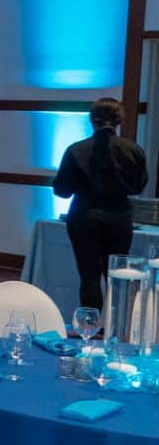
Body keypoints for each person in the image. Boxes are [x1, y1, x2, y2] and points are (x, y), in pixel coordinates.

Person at [54, 97, 150, 312]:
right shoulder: (133, 150)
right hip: (119, 216)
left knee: (89, 275)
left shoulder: (76, 150)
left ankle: (91, 327)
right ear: (119, 120)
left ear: (92, 120)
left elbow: (61, 190)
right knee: (116, 275)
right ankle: (115, 326)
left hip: (84, 215)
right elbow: (138, 186)